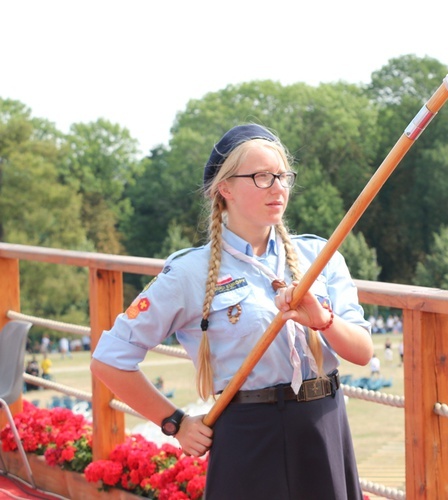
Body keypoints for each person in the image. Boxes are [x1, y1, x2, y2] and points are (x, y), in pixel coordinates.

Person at [90, 124, 374, 499]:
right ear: (224, 188)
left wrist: (324, 321)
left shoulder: (319, 257)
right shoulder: (190, 273)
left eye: (282, 176)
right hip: (247, 436)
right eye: (261, 177)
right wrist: (175, 422)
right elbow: (109, 359)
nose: (278, 187)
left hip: (323, 426)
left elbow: (362, 352)